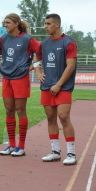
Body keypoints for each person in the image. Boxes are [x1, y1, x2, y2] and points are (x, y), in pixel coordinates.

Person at [0, 13, 41, 156]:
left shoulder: (27, 39)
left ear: (16, 24)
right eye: (4, 22)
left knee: (20, 111)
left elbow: (41, 51)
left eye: (8, 22)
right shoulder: (4, 39)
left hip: (20, 78)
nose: (5, 25)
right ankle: (11, 145)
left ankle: (21, 146)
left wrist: (31, 67)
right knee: (9, 110)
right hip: (6, 77)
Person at [34, 13, 78, 165]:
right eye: (45, 24)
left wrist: (59, 84)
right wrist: (39, 73)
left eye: (48, 24)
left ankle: (71, 153)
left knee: (64, 117)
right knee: (50, 118)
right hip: (47, 87)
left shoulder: (68, 42)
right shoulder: (44, 44)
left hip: (63, 87)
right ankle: (55, 152)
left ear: (57, 24)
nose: (45, 26)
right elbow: (36, 59)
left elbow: (70, 66)